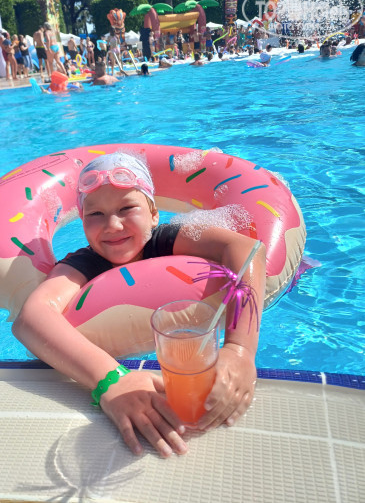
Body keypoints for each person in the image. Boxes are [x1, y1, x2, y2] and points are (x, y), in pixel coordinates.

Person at [13, 152, 266, 458]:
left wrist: (240, 349)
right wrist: (112, 380)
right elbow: (32, 316)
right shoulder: (82, 263)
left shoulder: (165, 239)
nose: (113, 225)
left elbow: (246, 249)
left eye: (127, 208)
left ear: (154, 214)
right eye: (95, 214)